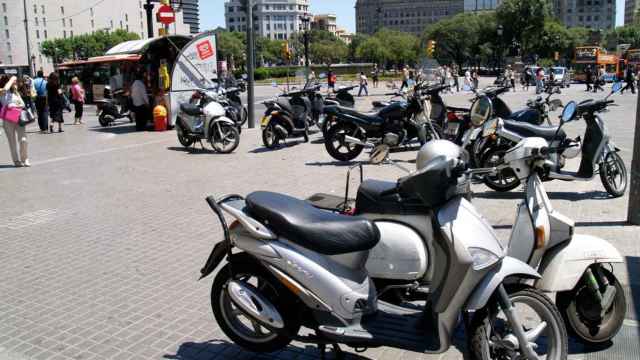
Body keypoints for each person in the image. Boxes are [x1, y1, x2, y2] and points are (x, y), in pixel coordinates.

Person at [0, 75, 30, 167]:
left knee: (23, 140)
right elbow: (5, 89)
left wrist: (17, 105)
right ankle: (16, 161)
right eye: (13, 82)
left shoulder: (15, 91)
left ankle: (25, 159)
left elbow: (23, 103)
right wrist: (12, 79)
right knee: (12, 141)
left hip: (18, 117)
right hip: (7, 119)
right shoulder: (1, 91)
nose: (15, 83)